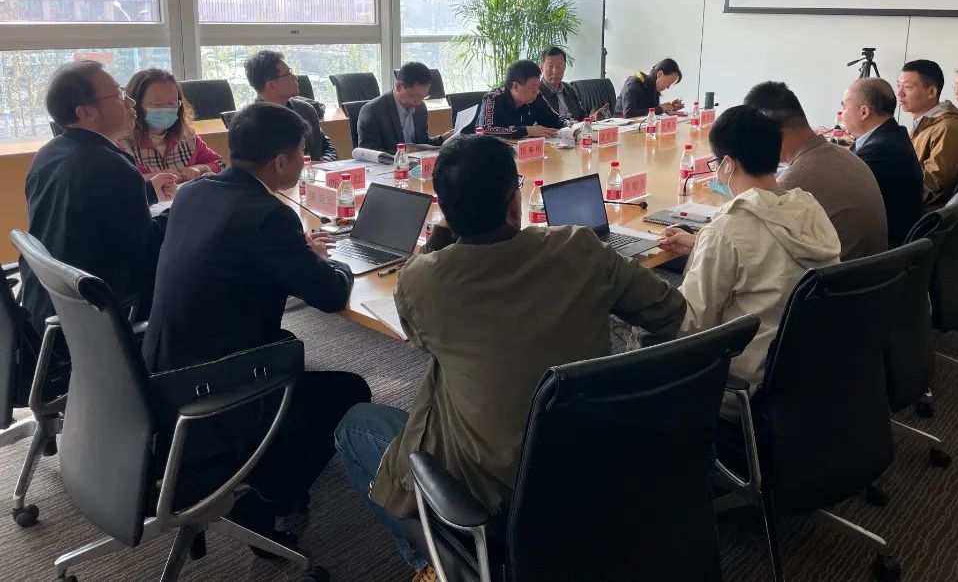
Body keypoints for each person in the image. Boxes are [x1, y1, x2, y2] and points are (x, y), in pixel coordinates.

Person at [334, 134, 686, 581]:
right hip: (597, 461)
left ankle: (438, 563)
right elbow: (670, 312)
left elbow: (422, 341)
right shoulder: (581, 248)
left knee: (356, 426)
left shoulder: (423, 280)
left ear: (445, 210)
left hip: (497, 491)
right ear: (514, 204)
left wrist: (442, 242)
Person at [142, 102, 371, 533]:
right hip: (214, 381)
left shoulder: (194, 192)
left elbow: (235, 249)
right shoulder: (268, 215)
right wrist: (335, 261)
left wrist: (298, 251)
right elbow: (329, 294)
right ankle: (268, 500)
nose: (304, 159)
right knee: (350, 390)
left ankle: (268, 465)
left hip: (166, 364)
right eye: (302, 152)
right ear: (280, 161)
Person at [658, 105, 840, 406]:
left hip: (740, 388)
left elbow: (689, 325)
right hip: (808, 375)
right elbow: (765, 249)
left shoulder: (727, 229)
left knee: (642, 326)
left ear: (728, 164)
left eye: (716, 163)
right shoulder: (808, 208)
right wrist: (702, 244)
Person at [20, 62, 174, 339]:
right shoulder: (110, 166)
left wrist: (148, 190)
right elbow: (146, 254)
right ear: (87, 113)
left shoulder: (50, 154)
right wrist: (181, 210)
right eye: (119, 95)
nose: (130, 102)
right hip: (98, 323)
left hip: (48, 312)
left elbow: (82, 205)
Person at [744, 81, 887, 260]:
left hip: (837, 275)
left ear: (771, 132)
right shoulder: (846, 155)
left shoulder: (792, 184)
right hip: (873, 272)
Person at [840, 78, 924, 247]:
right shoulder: (893, 133)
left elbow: (838, 194)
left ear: (864, 112)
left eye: (844, 107)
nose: (842, 114)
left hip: (882, 249)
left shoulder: (879, 152)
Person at [121, 68, 225, 181]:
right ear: (135, 105)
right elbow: (116, 183)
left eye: (172, 103)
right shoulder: (121, 145)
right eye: (157, 104)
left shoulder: (187, 138)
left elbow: (219, 163)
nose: (165, 109)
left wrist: (200, 168)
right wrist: (154, 177)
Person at [897, 59, 958, 204]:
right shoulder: (926, 121)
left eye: (907, 87)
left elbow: (933, 184)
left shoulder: (948, 128)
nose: (899, 94)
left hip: (920, 208)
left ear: (931, 92)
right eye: (898, 85)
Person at [245, 49, 337, 161]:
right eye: (289, 74)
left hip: (315, 172)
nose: (295, 77)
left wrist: (326, 161)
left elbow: (327, 145)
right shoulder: (251, 123)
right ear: (271, 84)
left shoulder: (306, 110)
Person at [356, 61, 450, 154]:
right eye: (415, 96)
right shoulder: (372, 111)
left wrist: (442, 139)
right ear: (398, 87)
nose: (419, 102)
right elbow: (368, 153)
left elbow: (422, 143)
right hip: (390, 163)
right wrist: (403, 151)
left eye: (423, 97)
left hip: (416, 162)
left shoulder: (420, 108)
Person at [475, 59, 569, 139]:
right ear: (516, 86)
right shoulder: (493, 98)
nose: (537, 92)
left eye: (538, 87)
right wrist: (527, 130)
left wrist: (568, 124)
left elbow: (553, 119)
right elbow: (485, 130)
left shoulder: (536, 98)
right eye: (532, 88)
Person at [614, 58, 685, 118]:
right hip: (620, 125)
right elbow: (629, 114)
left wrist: (669, 108)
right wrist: (660, 108)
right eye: (669, 82)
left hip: (639, 126)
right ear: (660, 74)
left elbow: (650, 111)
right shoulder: (633, 84)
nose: (668, 87)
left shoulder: (654, 88)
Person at [538, 46, 587, 122]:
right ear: (541, 68)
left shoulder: (569, 88)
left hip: (576, 128)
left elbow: (582, 116)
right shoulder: (535, 92)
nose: (555, 71)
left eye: (559, 66)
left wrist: (593, 118)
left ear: (565, 67)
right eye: (550, 66)